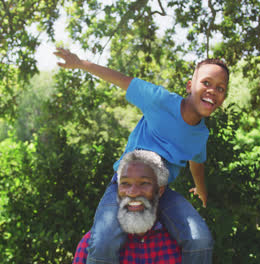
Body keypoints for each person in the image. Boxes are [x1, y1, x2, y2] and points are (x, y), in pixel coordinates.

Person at [54, 47, 229, 264]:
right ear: (189, 85)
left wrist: (201, 189)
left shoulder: (201, 135)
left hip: (161, 193)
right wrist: (81, 64)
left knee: (200, 239)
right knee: (102, 242)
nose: (213, 90)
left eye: (220, 88)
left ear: (223, 98)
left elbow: (197, 161)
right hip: (125, 185)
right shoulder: (160, 101)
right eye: (206, 83)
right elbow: (122, 80)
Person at [73, 150, 181, 264]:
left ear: (160, 190)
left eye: (144, 183)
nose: (132, 193)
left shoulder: (179, 243)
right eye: (125, 183)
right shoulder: (94, 244)